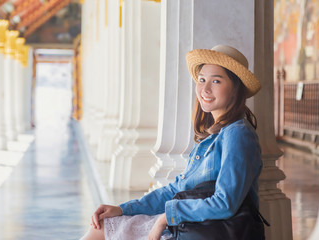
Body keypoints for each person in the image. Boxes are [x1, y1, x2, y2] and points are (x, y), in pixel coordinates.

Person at [80, 45, 262, 240]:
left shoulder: (238, 135)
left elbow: (225, 203)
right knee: (102, 227)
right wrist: (123, 209)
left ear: (236, 88)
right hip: (192, 225)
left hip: (212, 231)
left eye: (216, 81)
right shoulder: (213, 136)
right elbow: (177, 189)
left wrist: (166, 217)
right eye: (201, 80)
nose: (205, 89)